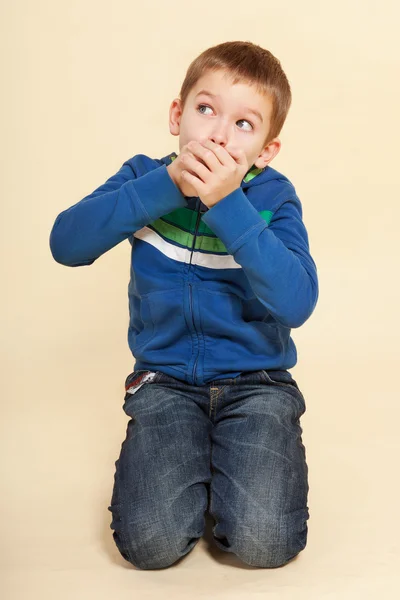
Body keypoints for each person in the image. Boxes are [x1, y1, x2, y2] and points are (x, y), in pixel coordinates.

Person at [49, 40, 319, 570]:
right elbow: (67, 244)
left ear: (265, 150)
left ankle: (227, 475)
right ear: (178, 116)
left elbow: (297, 301)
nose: (218, 133)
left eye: (244, 124)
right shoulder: (143, 178)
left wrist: (229, 204)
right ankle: (194, 469)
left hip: (257, 385)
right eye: (206, 110)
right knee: (149, 546)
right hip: (166, 383)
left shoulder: (273, 197)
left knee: (266, 543)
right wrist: (165, 186)